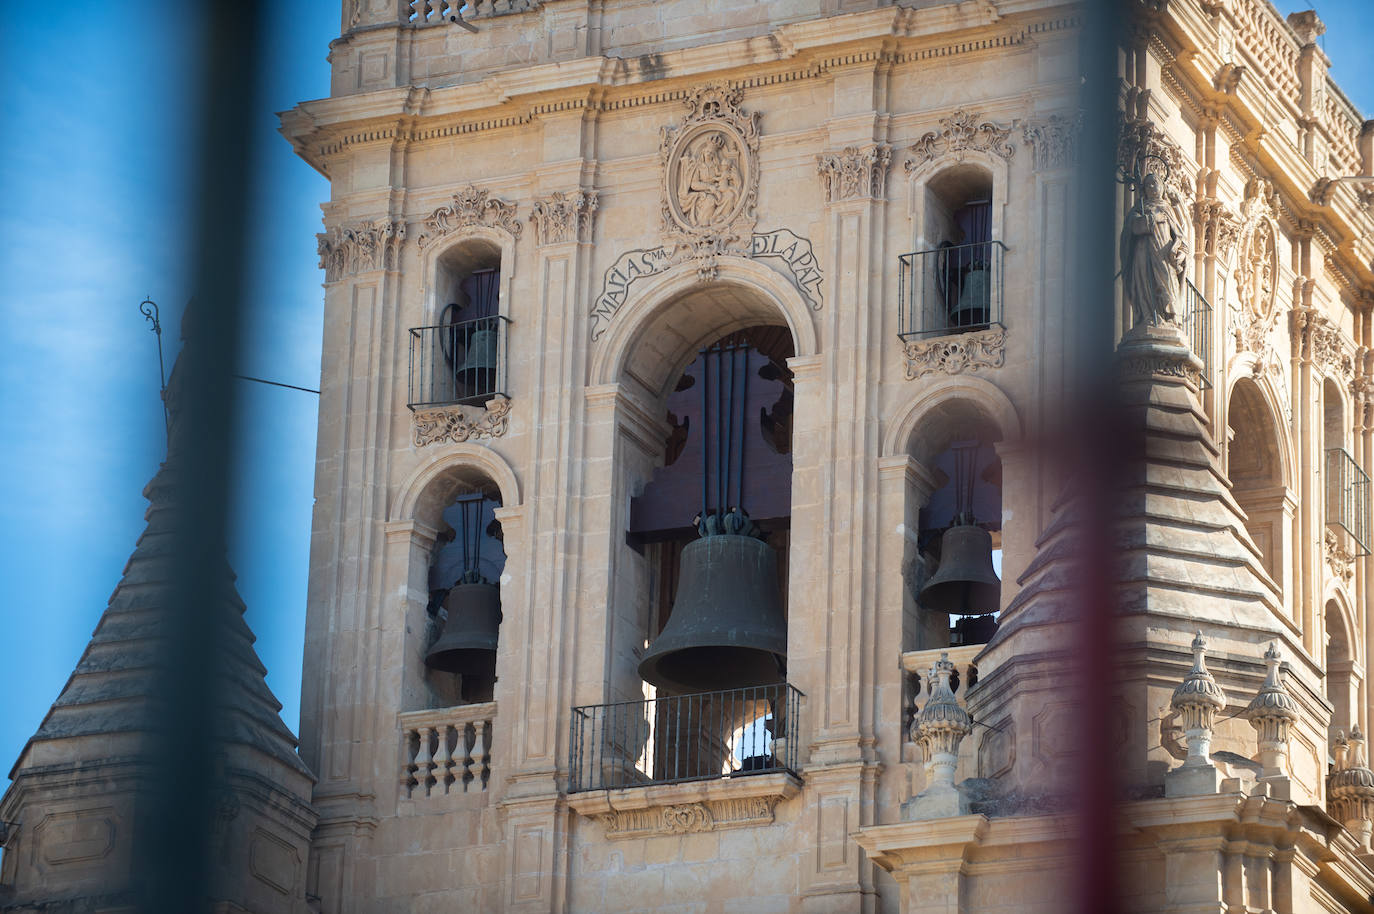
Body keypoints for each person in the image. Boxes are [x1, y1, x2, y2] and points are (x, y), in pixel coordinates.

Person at [1121, 172, 1191, 326]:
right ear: (1144, 189)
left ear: (1162, 187)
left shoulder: (1167, 208)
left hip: (1163, 253)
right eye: (1148, 185)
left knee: (1167, 282)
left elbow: (1180, 236)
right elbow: (1131, 228)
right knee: (1144, 283)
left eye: (1155, 183)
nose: (1152, 187)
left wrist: (1180, 253)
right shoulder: (1139, 208)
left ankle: (1170, 318)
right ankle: (1147, 316)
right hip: (1142, 252)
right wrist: (1152, 220)